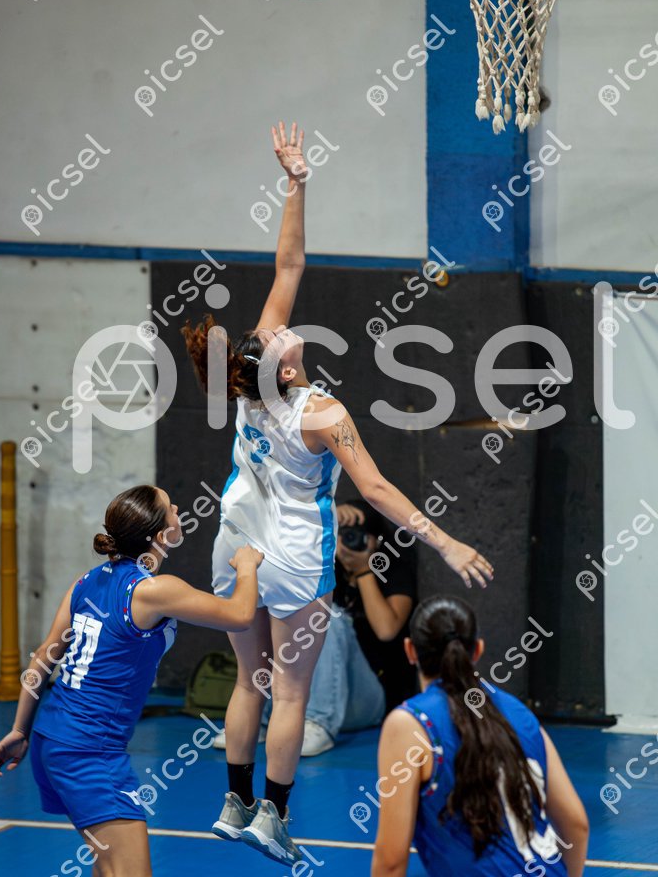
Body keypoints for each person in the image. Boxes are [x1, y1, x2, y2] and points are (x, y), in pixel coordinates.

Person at [181, 121, 494, 866]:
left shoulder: (251, 381)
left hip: (236, 545)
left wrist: (295, 183)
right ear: (286, 368)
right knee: (289, 693)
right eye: (283, 339)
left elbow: (289, 262)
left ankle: (232, 802)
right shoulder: (322, 414)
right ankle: (272, 815)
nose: (284, 329)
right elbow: (376, 488)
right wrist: (445, 541)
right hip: (294, 554)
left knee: (250, 681)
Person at [0, 485, 262, 877]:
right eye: (170, 507)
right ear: (161, 534)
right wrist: (248, 567)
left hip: (51, 738)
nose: (178, 507)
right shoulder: (154, 591)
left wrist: (20, 729)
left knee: (108, 866)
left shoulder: (86, 582)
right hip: (89, 753)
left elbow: (43, 656)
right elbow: (241, 615)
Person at [372, 596, 589, 877]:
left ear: (410, 650)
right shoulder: (518, 711)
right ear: (478, 650)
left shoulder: (409, 724)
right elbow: (576, 824)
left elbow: (390, 862)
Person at [211, 497, 418, 756]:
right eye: (342, 534)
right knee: (287, 615)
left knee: (327, 615)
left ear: (375, 541)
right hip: (302, 697)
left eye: (357, 535)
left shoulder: (393, 570)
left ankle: (320, 723)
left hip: (367, 699)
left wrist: (364, 572)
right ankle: (258, 720)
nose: (348, 541)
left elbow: (387, 630)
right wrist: (326, 518)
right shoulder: (325, 566)